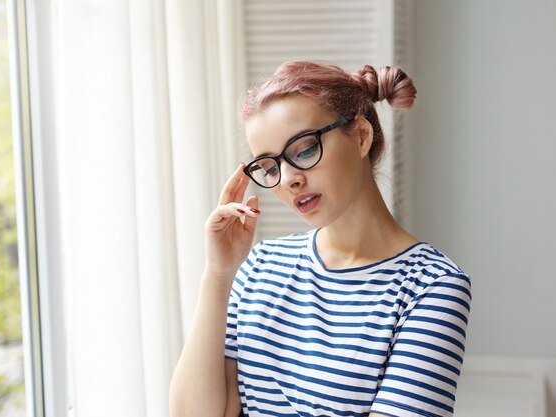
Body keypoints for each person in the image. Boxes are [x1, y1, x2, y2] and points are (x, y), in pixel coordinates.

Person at [169, 61, 472, 417]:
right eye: (269, 167)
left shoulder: (431, 286)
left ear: (360, 136)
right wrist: (218, 275)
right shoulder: (259, 266)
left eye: (304, 150)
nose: (288, 180)